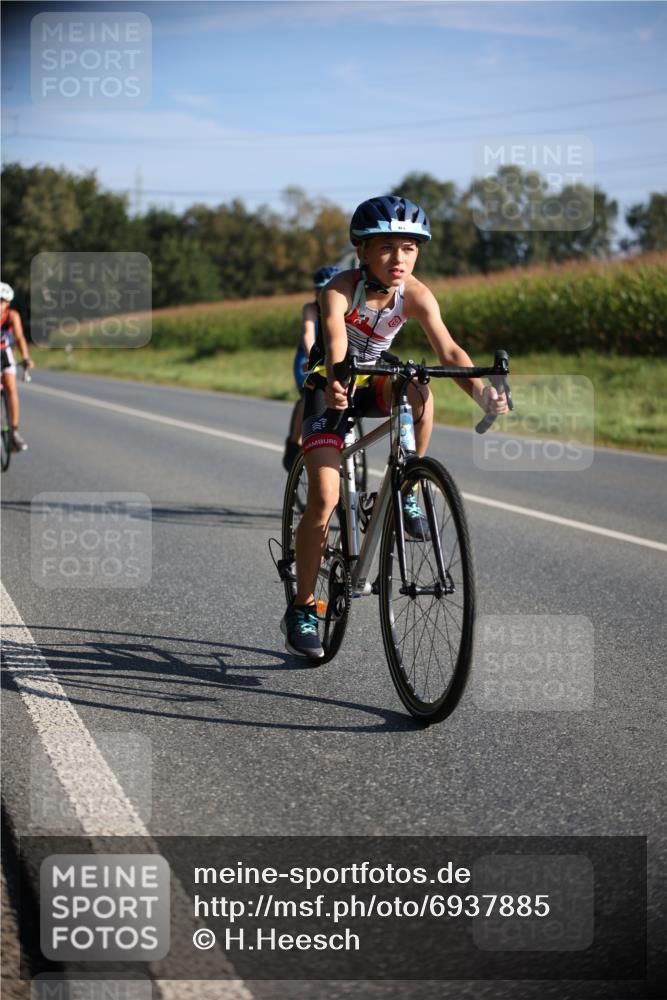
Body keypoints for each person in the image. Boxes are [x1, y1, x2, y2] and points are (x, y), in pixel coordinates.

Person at [280, 195, 508, 659]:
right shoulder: (339, 290)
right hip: (331, 386)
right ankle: (303, 607)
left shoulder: (417, 294)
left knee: (421, 389)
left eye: (408, 248)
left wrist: (483, 393)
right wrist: (339, 379)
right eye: (386, 247)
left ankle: (405, 484)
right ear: (362, 251)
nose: (398, 258)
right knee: (324, 497)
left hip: (379, 379)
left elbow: (450, 352)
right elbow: (338, 340)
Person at [282, 265, 341, 472]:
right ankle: (293, 442)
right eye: (320, 289)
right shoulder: (310, 308)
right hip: (308, 358)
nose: (323, 293)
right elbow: (308, 334)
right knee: (308, 396)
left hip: (334, 357)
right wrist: (312, 357)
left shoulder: (343, 305)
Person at [1, 281, 34, 452]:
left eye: (3, 301)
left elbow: (20, 338)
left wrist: (26, 357)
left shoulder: (12, 316)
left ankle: (14, 432)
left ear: (8, 303)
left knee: (11, 387)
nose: (0, 304)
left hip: (5, 353)